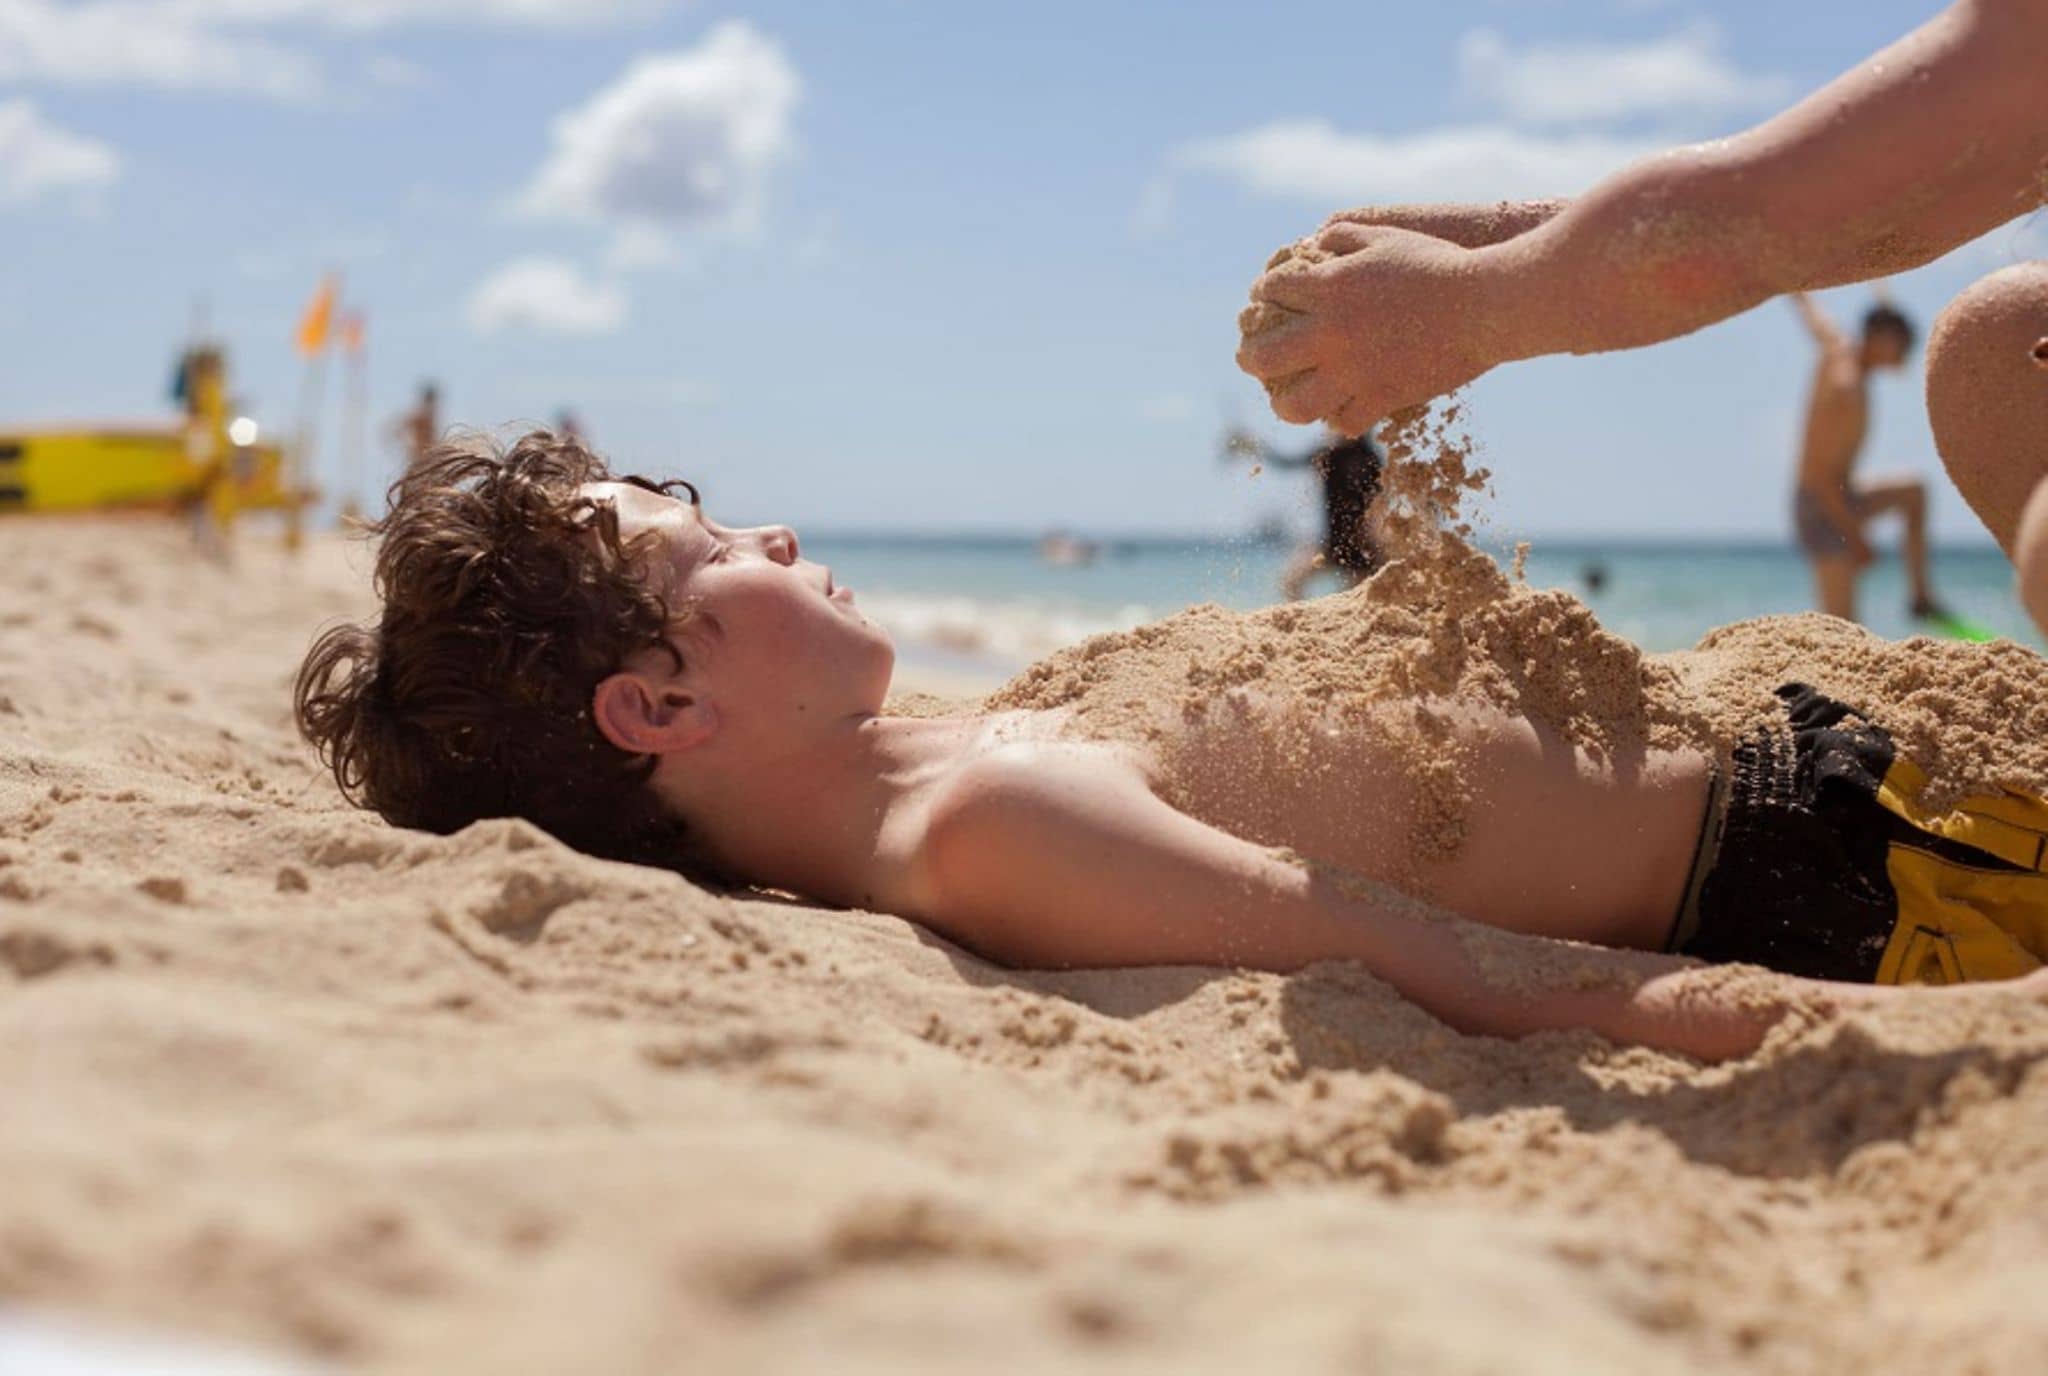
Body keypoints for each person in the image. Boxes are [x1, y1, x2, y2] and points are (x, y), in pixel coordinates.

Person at [295, 433, 2048, 1068]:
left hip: (1817, 769)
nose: (765, 538)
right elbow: (1414, 955)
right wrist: (1822, 1022)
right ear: (660, 707)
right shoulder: (982, 829)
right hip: (1861, 872)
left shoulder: (941, 752)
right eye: (714, 554)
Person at [1234, 0, 2048, 635]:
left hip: (1825, 504)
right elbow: (1862, 213)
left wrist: (1464, 303)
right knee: (1997, 339)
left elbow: (1751, 222)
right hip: (1822, 503)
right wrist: (1477, 247)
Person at [1788, 294, 1945, 623]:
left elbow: (1811, 311)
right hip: (1822, 510)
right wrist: (1857, 540)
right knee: (1844, 628)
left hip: (1842, 495)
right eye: (1902, 345)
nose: (1905, 355)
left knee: (1915, 492)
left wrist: (1795, 285)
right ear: (1882, 338)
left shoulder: (1838, 344)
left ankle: (1920, 596)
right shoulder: (1847, 390)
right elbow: (1820, 478)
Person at [1227, 427, 1386, 598]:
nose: (1330, 428)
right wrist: (1257, 447)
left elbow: (1381, 502)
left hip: (1363, 548)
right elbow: (1285, 462)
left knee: (1355, 599)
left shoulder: (1368, 459)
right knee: (1290, 583)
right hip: (1329, 544)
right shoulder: (1327, 453)